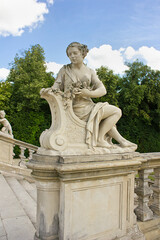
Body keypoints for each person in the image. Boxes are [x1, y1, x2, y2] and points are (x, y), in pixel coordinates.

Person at [52, 42, 136, 149]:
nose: (72, 56)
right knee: (116, 111)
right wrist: (52, 90)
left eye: (75, 53)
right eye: (69, 54)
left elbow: (103, 90)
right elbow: (56, 86)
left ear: (82, 53)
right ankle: (100, 139)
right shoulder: (65, 70)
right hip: (75, 109)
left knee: (108, 114)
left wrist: (89, 93)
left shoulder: (90, 71)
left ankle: (121, 141)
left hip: (89, 105)